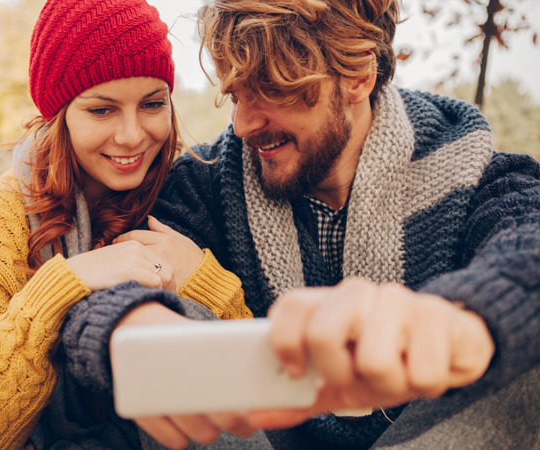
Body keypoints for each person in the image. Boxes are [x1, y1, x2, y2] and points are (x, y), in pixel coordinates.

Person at [60, 0, 540, 449]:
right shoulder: (201, 183)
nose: (244, 124)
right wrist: (127, 320)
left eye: (272, 90)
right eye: (236, 94)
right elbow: (106, 288)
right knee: (179, 330)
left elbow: (528, 243)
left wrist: (464, 317)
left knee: (520, 343)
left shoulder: (478, 174)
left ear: (358, 76)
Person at [0, 1, 253, 449]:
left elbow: (258, 400)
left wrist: (206, 282)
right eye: (102, 110)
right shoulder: (1, 213)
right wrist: (62, 286)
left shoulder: (179, 200)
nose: (132, 135)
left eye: (153, 104)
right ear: (60, 114)